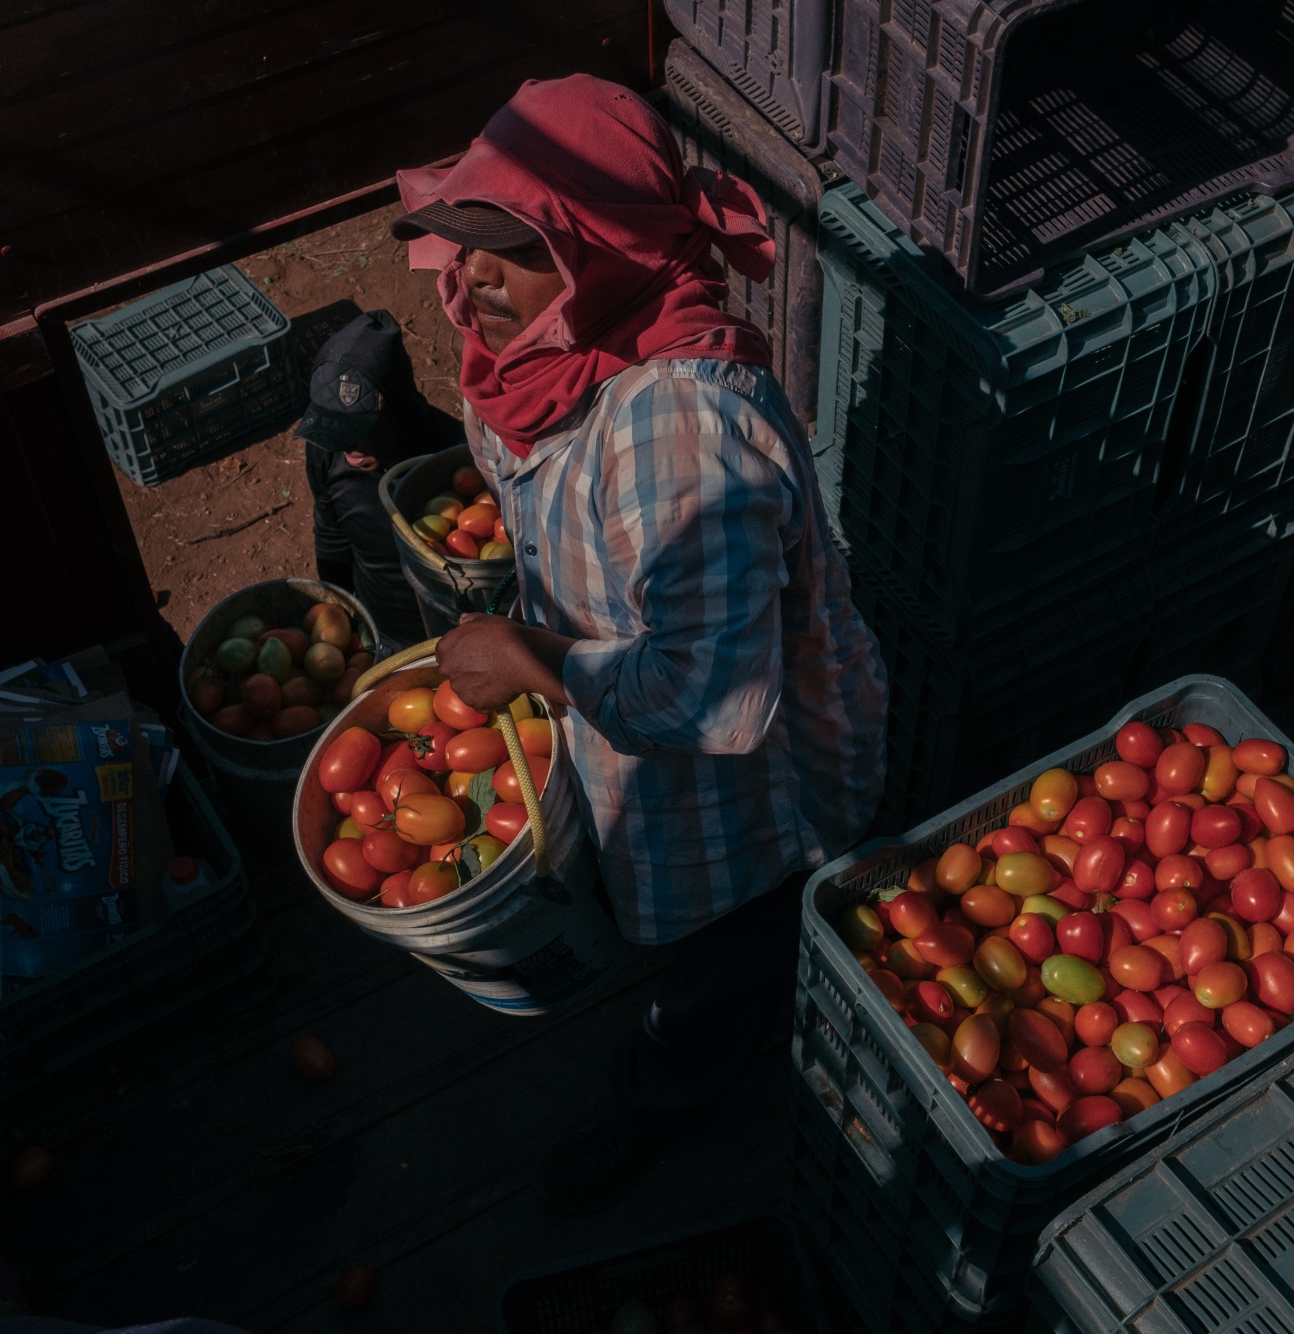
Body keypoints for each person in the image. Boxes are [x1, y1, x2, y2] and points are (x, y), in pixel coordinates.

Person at [392, 75, 887, 1214]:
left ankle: (668, 1096)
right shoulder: (539, 359)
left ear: (602, 251)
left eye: (516, 249)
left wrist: (527, 658)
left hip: (747, 792)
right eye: (468, 241)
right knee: (672, 929)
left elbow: (716, 699)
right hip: (630, 728)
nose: (473, 277)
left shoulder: (681, 424)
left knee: (723, 962)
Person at [294, 311, 460, 647]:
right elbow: (331, 533)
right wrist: (339, 613)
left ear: (397, 409)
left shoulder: (456, 456)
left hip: (458, 633)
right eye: (334, 429)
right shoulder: (327, 452)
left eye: (358, 430)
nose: (346, 447)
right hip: (383, 632)